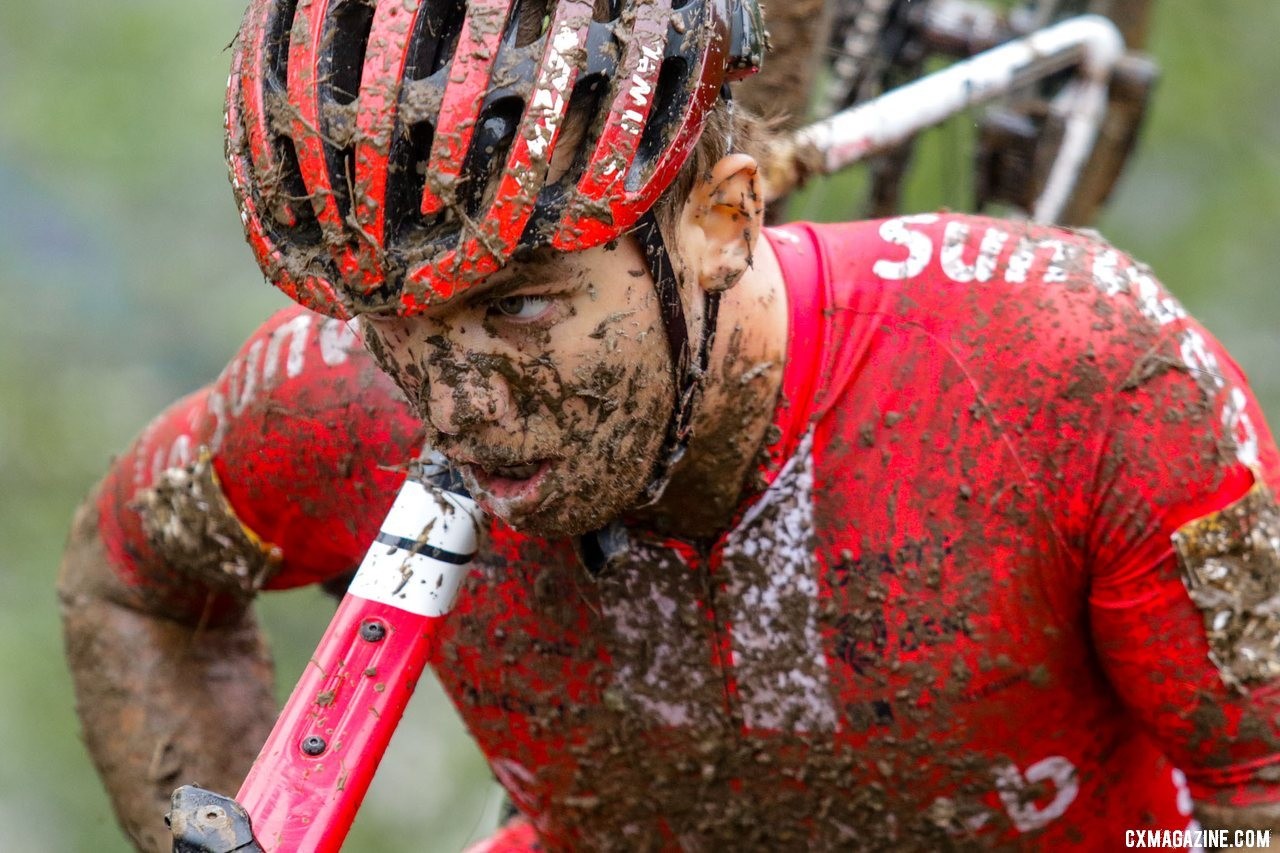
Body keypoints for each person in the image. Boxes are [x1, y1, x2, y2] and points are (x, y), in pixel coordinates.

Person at [58, 0, 1280, 849]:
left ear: (722, 214)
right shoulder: (334, 406)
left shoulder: (1085, 378)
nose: (456, 408)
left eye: (521, 306)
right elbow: (131, 579)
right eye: (392, 322)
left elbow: (1259, 789)